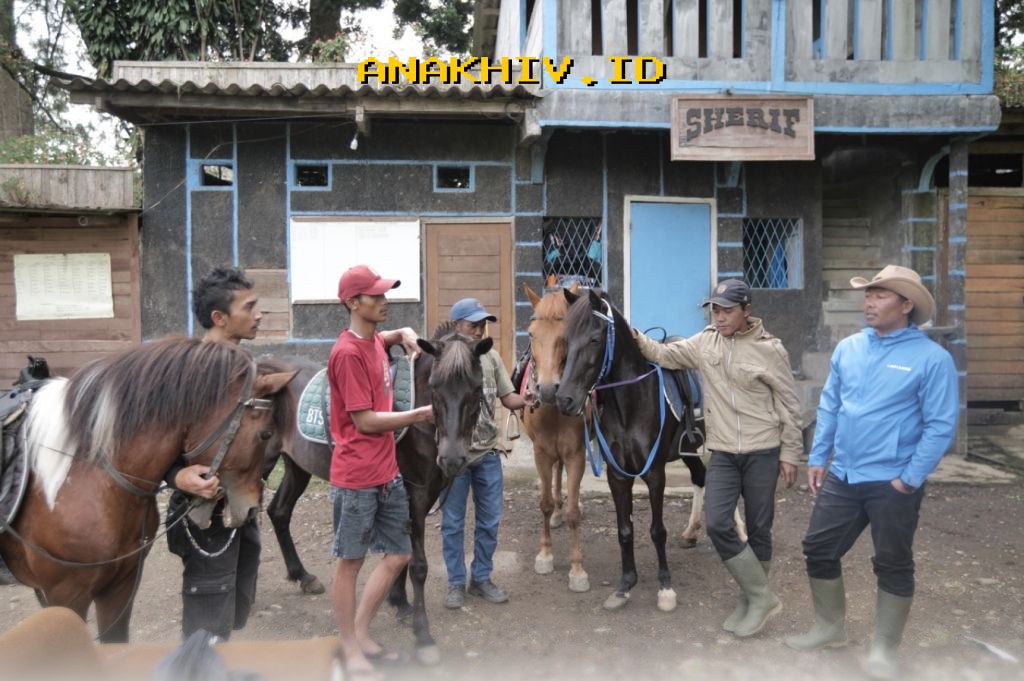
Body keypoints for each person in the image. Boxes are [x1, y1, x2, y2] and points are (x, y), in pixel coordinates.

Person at [785, 265, 958, 679]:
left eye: (881, 295)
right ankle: (830, 628)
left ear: (906, 304)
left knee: (893, 562)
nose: (869, 302)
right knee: (818, 548)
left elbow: (940, 425)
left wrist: (909, 478)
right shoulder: (849, 349)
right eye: (869, 295)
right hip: (843, 475)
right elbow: (830, 406)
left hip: (893, 483)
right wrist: (818, 457)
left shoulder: (932, 359)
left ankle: (884, 649)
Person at [632, 278, 803, 638]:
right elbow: (664, 355)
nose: (720, 316)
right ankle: (763, 597)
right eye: (715, 309)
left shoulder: (771, 350)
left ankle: (751, 599)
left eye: (727, 310)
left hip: (763, 450)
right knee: (717, 523)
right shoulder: (705, 342)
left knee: (759, 528)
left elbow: (789, 404)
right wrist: (631, 334)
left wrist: (790, 452)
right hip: (723, 451)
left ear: (747, 311)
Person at [328, 264, 433, 678]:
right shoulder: (348, 354)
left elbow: (383, 338)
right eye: (377, 296)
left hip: (386, 472)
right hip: (356, 477)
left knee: (399, 554)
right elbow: (366, 422)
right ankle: (348, 644)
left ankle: (359, 631)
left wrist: (402, 331)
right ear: (354, 303)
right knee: (350, 562)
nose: (384, 301)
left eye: (385, 295)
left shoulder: (372, 340)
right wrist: (420, 414)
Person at [164, 265, 264, 640]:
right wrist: (177, 475)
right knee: (207, 625)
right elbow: (154, 442)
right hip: (202, 513)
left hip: (241, 507)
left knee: (231, 613)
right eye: (249, 307)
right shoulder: (186, 372)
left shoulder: (245, 367)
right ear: (220, 318)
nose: (258, 314)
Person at [442, 298, 526, 609]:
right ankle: (455, 583)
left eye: (482, 324)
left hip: (489, 454)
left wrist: (529, 396)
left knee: (489, 522)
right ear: (456, 326)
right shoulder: (447, 359)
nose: (478, 330)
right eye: (472, 324)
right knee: (452, 523)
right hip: (456, 459)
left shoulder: (490, 358)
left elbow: (509, 398)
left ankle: (481, 578)